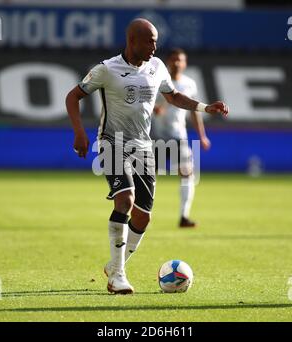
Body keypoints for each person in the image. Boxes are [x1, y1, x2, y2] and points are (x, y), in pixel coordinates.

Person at [65, 18, 229, 295]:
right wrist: (79, 133)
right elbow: (72, 96)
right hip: (111, 142)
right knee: (125, 200)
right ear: (132, 41)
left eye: (156, 41)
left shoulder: (157, 67)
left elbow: (174, 96)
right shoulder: (107, 69)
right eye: (150, 41)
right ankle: (117, 276)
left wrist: (204, 107)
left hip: (144, 146)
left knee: (143, 217)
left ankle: (115, 264)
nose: (155, 46)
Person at [152, 48, 211, 228]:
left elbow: (194, 112)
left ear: (184, 64)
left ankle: (184, 217)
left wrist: (202, 135)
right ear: (168, 62)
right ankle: (142, 214)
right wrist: (155, 109)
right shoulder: (157, 81)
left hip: (179, 137)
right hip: (156, 137)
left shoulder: (189, 84)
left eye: (180, 60)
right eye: (173, 59)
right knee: (148, 178)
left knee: (187, 174)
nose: (176, 63)